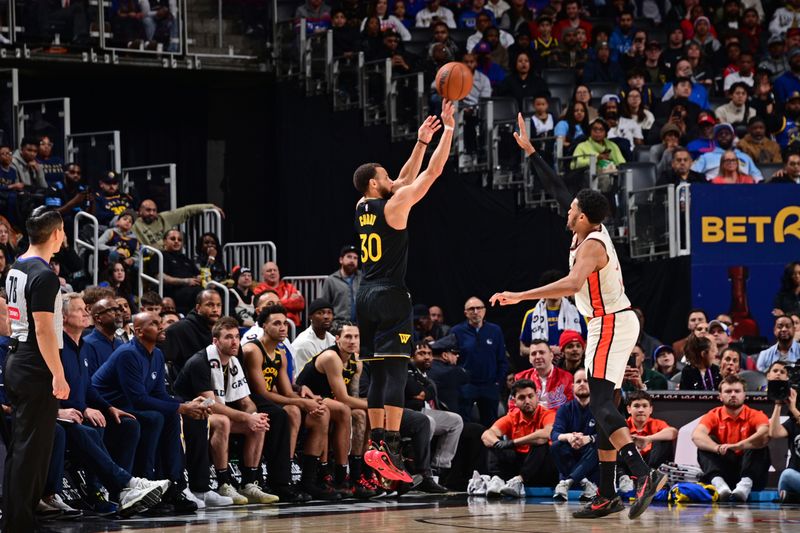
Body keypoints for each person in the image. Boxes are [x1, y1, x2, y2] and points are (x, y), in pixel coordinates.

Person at [491, 184, 666, 519]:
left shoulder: (592, 246)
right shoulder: (590, 227)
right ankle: (607, 493)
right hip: (614, 321)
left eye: (572, 209)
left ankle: (642, 473)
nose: (566, 211)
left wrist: (518, 295)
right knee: (606, 407)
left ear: (583, 217)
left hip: (608, 323)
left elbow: (571, 285)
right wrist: (531, 153)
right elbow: (559, 191)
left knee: (599, 404)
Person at [352, 101, 454, 482]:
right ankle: (391, 448)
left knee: (377, 378)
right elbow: (429, 175)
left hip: (363, 296)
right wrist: (448, 132)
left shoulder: (363, 203)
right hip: (392, 294)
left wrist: (420, 142)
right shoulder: (395, 208)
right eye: (385, 175)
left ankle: (376, 443)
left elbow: (401, 179)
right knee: (395, 374)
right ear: (375, 182)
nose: (392, 177)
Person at [59, 292, 169, 517]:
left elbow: (88, 386)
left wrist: (108, 407)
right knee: (91, 428)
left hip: (86, 410)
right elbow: (49, 389)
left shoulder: (81, 346)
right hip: (64, 415)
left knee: (128, 424)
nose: (85, 313)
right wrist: (83, 408)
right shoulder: (60, 348)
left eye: (85, 309)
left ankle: (126, 491)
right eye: (80, 309)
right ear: (62, 317)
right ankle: (108, 489)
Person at [92, 312, 215, 512]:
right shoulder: (127, 354)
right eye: (155, 324)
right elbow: (138, 399)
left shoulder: (157, 353)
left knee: (171, 416)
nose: (162, 327)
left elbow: (159, 393)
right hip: (108, 408)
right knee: (154, 418)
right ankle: (147, 484)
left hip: (130, 407)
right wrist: (182, 407)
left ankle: (172, 484)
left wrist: (188, 404)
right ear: (139, 331)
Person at [2, 207, 68, 532]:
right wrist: (58, 373)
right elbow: (43, 329)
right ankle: (19, 522)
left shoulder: (17, 266)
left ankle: (17, 518)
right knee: (33, 450)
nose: (65, 238)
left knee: (22, 446)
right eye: (64, 232)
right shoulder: (44, 275)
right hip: (35, 363)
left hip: (17, 358)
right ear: (55, 233)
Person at [173, 317, 279, 505]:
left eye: (237, 337)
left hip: (210, 412)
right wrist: (246, 417)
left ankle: (249, 483)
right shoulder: (200, 361)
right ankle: (223, 483)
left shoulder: (234, 360)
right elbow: (209, 404)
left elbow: (246, 401)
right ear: (216, 341)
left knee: (258, 423)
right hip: (189, 413)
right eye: (228, 337)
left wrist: (253, 416)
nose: (235, 342)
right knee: (223, 421)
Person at [242, 305, 339, 501]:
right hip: (251, 401)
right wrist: (302, 404)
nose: (283, 327)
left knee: (322, 413)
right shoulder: (253, 350)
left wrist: (309, 401)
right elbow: (261, 392)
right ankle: (282, 480)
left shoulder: (281, 353)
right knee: (293, 411)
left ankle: (308, 480)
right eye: (276, 323)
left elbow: (286, 391)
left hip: (272, 401)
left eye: (284, 323)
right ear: (263, 326)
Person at [295, 321, 378, 496]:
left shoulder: (357, 361)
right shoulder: (331, 357)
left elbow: (353, 397)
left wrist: (372, 408)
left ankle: (359, 474)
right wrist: (378, 405)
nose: (353, 341)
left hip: (331, 401)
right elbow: (343, 398)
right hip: (308, 398)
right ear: (337, 339)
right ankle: (338, 475)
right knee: (346, 410)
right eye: (348, 336)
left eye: (356, 337)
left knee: (363, 415)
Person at [691, 374, 770, 501]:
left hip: (751, 474)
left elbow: (765, 434)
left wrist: (739, 445)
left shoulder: (756, 414)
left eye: (737, 391)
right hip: (725, 472)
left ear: (744, 395)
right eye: (728, 391)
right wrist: (716, 447)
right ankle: (720, 485)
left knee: (760, 443)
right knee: (705, 444)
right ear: (720, 396)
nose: (733, 394)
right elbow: (697, 435)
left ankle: (744, 487)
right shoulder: (713, 414)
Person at [481, 379, 557, 491]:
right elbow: (486, 435)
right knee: (493, 445)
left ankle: (519, 481)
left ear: (537, 397)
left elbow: (545, 434)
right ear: (515, 401)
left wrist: (512, 443)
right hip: (519, 463)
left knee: (540, 444)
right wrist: (498, 443)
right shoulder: (512, 417)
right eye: (522, 398)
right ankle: (497, 481)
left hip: (541, 466)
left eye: (530, 396)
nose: (527, 401)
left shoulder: (548, 414)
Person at [452, 296, 508, 426]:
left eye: (479, 308)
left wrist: (497, 382)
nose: (476, 311)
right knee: (464, 425)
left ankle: (491, 447)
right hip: (466, 386)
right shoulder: (456, 331)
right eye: (472, 309)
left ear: (485, 311)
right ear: (465, 313)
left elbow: (502, 359)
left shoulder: (495, 330)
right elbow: (451, 360)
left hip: (489, 385)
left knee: (492, 426)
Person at [551, 369, 598, 502]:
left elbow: (606, 435)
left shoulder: (600, 409)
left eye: (586, 381)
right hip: (570, 457)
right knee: (556, 445)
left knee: (601, 444)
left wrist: (588, 439)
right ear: (572, 387)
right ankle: (584, 483)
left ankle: (567, 482)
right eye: (578, 381)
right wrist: (569, 437)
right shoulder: (565, 409)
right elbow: (554, 434)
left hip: (591, 460)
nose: (582, 384)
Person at [519, 270, 583, 360]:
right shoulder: (531, 315)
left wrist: (565, 350)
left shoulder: (577, 313)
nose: (555, 291)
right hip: (542, 368)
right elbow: (522, 349)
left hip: (570, 366)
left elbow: (588, 343)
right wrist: (546, 352)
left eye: (558, 288)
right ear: (544, 290)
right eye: (552, 289)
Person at [161, 289, 222, 376]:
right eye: (210, 305)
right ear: (198, 307)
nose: (215, 309)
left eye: (218, 305)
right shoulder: (179, 329)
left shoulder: (224, 331)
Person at [133, 199, 224, 251]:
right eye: (148, 210)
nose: (152, 213)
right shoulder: (135, 225)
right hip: (151, 259)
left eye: (154, 210)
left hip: (171, 256)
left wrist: (210, 206)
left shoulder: (163, 218)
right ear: (140, 211)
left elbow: (186, 211)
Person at [767, 361, 800, 503]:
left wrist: (793, 408)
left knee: (786, 476)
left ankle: (793, 499)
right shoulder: (793, 420)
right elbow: (774, 433)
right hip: (796, 475)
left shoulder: (795, 413)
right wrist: (778, 404)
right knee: (787, 476)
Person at [512, 340, 574, 410]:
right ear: (529, 358)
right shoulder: (520, 378)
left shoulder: (567, 378)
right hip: (528, 419)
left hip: (557, 419)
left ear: (551, 355)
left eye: (542, 352)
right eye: (533, 354)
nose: (537, 357)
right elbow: (513, 407)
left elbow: (570, 408)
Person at [290, 298, 335, 378]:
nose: (326, 316)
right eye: (320, 313)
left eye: (329, 312)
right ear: (310, 317)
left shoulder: (331, 339)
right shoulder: (304, 343)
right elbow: (304, 376)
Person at [253, 261, 305, 327]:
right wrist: (289, 301)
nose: (272, 272)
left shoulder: (289, 287)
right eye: (269, 271)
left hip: (293, 325)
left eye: (275, 270)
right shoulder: (258, 289)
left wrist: (275, 304)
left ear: (279, 273)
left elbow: (300, 305)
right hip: (271, 325)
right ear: (263, 274)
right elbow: (264, 308)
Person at [321, 244, 362, 322]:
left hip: (361, 324)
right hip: (339, 324)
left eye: (355, 258)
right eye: (349, 257)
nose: (352, 260)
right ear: (341, 260)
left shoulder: (363, 278)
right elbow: (325, 306)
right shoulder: (331, 280)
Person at [83, 297, 124, 376]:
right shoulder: (87, 344)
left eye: (119, 310)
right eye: (112, 310)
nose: (118, 313)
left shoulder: (121, 344)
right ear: (98, 318)